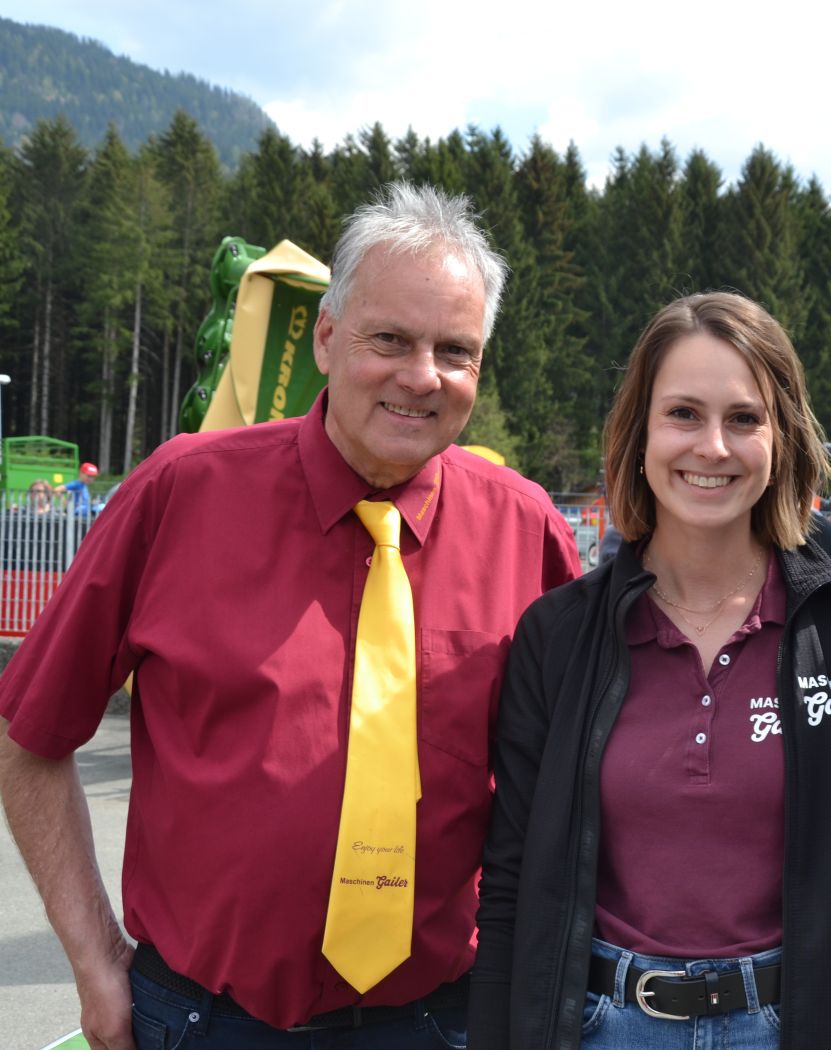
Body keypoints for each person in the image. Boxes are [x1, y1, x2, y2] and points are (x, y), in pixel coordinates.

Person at [0, 182, 580, 1049]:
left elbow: (587, 783)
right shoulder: (180, 494)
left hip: (443, 1022)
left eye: (454, 351)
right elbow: (27, 737)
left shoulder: (526, 530)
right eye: (391, 339)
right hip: (203, 1022)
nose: (422, 376)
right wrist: (93, 959)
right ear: (327, 337)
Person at [468, 291, 831, 1049]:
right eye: (683, 415)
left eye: (744, 418)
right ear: (639, 433)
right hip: (601, 1026)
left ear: (782, 438)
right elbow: (511, 884)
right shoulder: (559, 636)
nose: (713, 446)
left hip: (793, 1024)